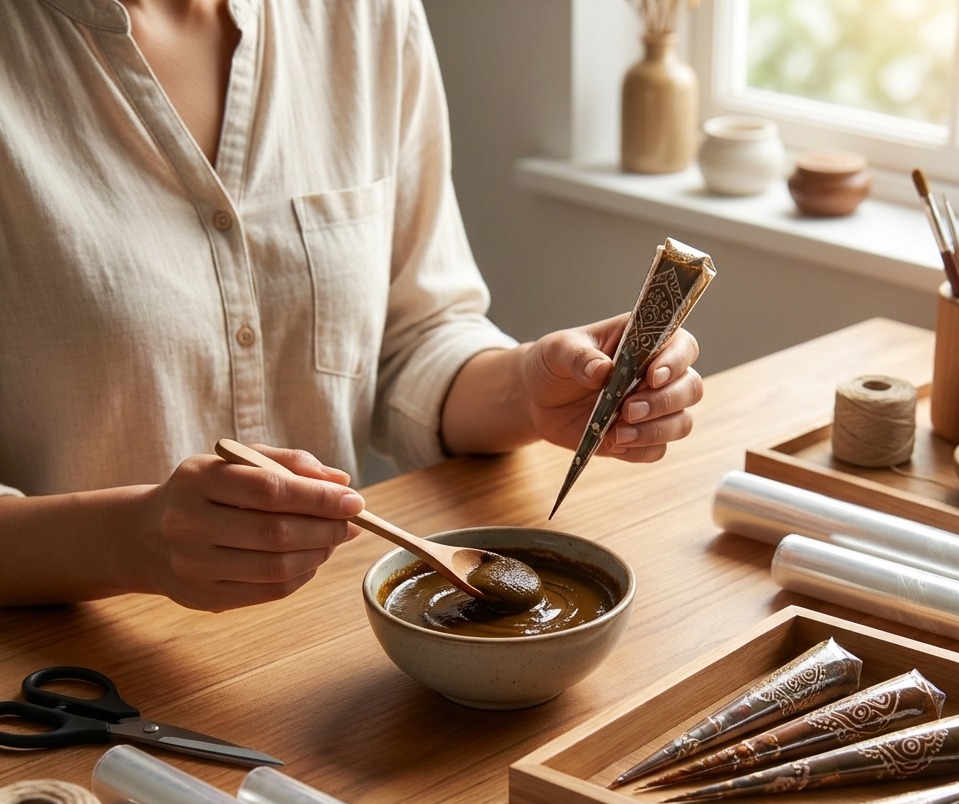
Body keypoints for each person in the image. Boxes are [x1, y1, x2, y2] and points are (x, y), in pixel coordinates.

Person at [0, 0, 702, 612]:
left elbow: (414, 334)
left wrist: (526, 389)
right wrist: (131, 541)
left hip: (329, 643)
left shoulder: (367, 15)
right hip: (70, 673)